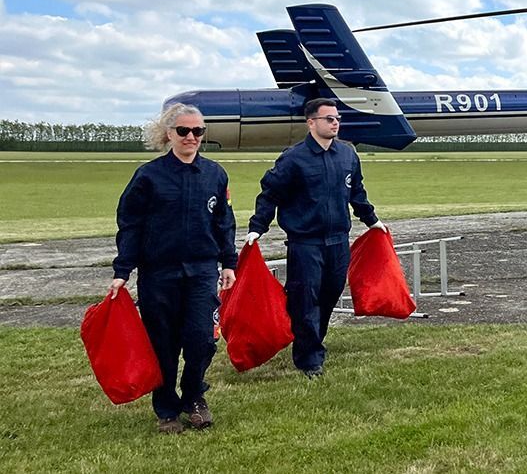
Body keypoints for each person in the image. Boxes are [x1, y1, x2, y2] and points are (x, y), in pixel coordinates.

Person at [110, 104, 237, 434]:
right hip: (159, 273)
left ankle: (194, 395)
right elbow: (130, 225)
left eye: (198, 131)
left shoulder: (214, 175)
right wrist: (122, 270)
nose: (192, 137)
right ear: (169, 134)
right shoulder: (148, 176)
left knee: (201, 341)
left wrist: (229, 262)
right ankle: (166, 408)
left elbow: (224, 222)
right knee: (163, 344)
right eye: (184, 131)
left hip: (201, 272)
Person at [246, 98, 386, 378]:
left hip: (338, 241)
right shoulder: (293, 159)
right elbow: (270, 193)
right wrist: (257, 226)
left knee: (330, 294)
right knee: (305, 298)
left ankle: (312, 341)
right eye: (329, 119)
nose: (335, 123)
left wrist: (372, 220)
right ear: (311, 123)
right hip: (305, 242)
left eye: (337, 118)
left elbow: (356, 192)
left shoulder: (347, 155)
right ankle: (308, 358)